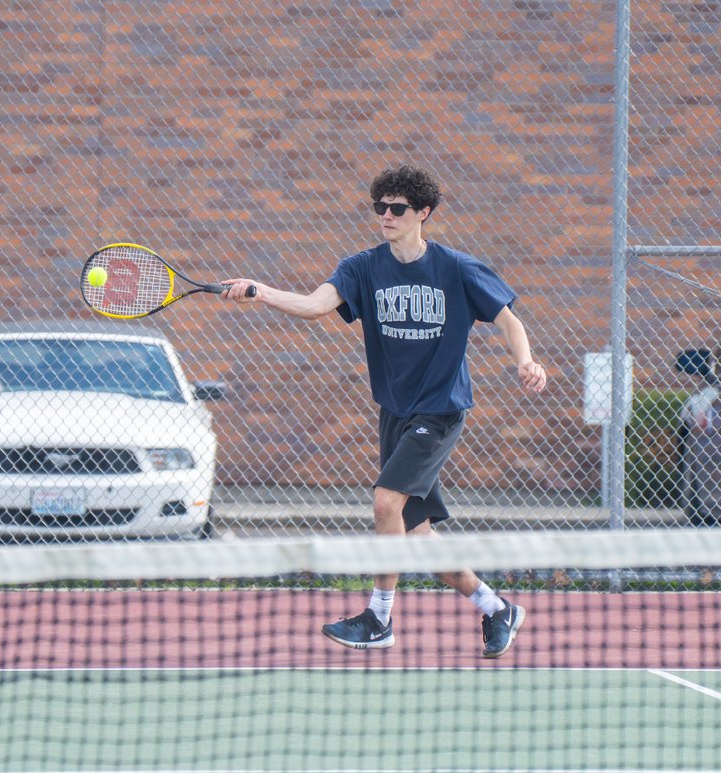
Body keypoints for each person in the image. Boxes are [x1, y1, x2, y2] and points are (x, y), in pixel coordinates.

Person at [222, 164, 548, 658]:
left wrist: (526, 362)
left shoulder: (456, 268)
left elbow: (509, 320)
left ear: (424, 213)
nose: (387, 216)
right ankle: (495, 607)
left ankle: (379, 617)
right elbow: (315, 305)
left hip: (438, 412)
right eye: (381, 208)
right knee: (415, 534)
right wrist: (260, 291)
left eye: (398, 209)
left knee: (384, 503)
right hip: (395, 412)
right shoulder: (362, 267)